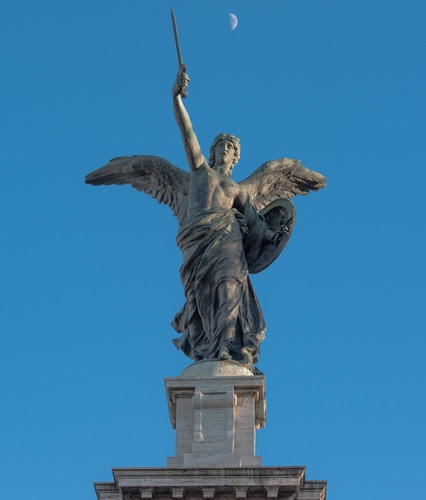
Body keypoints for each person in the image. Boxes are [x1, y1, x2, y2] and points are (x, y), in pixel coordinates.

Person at [170, 65, 281, 369]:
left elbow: (257, 223)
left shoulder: (237, 189)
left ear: (235, 157)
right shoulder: (199, 172)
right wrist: (176, 98)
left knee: (229, 287)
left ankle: (226, 345)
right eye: (220, 146)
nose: (225, 151)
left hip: (228, 239)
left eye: (230, 148)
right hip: (197, 241)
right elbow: (187, 133)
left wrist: (274, 236)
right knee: (199, 297)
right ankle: (208, 342)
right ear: (213, 151)